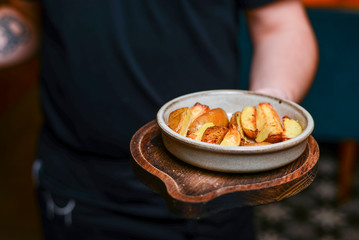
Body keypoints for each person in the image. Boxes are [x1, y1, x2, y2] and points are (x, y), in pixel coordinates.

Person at [0, 0, 318, 239]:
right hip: (80, 183)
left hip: (211, 186)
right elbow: (27, 14)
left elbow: (279, 23)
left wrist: (268, 107)